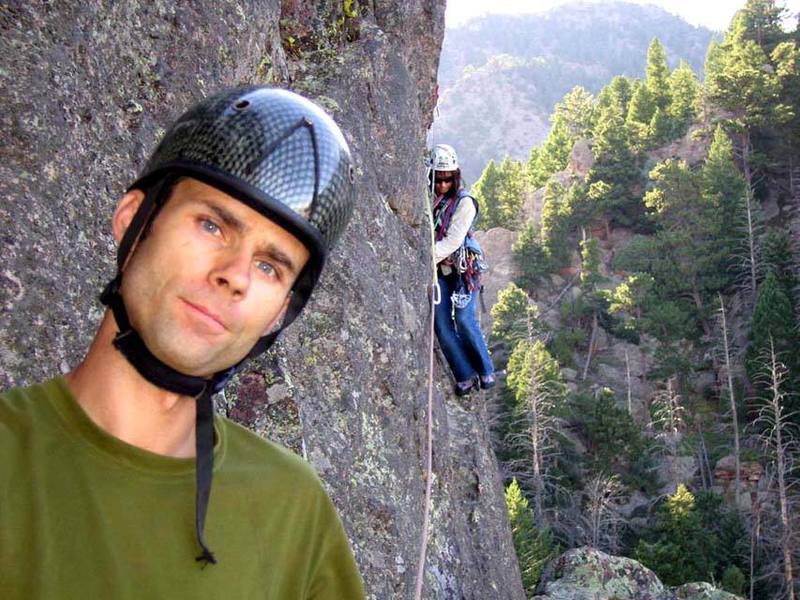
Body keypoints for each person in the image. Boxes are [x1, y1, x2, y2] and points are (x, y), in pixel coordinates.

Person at [0, 86, 365, 599]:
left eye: (269, 266)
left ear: (279, 311)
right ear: (134, 220)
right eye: (213, 225)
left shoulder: (295, 513)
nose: (235, 275)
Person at [429, 144, 495, 396]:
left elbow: (453, 242)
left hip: (464, 270)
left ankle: (486, 370)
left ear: (455, 177)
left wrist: (425, 256)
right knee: (443, 326)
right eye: (438, 179)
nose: (443, 185)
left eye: (447, 180)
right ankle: (465, 374)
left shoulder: (465, 203)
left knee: (466, 320)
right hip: (442, 271)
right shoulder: (430, 198)